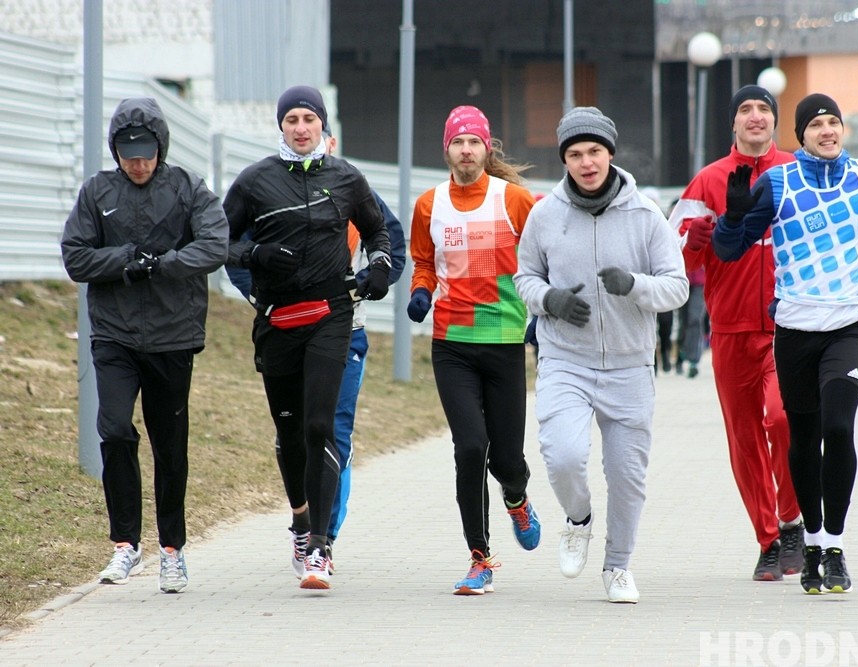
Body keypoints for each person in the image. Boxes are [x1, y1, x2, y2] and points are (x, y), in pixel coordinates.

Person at [712, 93, 858, 594]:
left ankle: (835, 546)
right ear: (800, 135)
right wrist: (734, 217)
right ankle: (810, 545)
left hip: (847, 323)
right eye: (817, 124)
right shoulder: (778, 182)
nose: (828, 131)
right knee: (802, 439)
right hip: (795, 328)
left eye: (834, 123)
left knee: (838, 426)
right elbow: (729, 251)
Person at [514, 106, 689, 603]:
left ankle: (618, 567)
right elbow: (524, 276)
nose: (586, 162)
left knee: (628, 475)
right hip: (566, 358)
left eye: (594, 151)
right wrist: (550, 300)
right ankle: (578, 519)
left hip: (631, 363)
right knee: (564, 455)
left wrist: (634, 285)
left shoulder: (645, 215)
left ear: (610, 154)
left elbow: (676, 288)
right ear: (564, 159)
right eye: (574, 154)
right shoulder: (545, 215)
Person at [223, 85, 391, 591]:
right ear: (281, 126)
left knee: (320, 426)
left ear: (323, 125)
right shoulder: (255, 182)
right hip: (277, 321)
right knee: (290, 434)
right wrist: (255, 257)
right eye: (292, 119)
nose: (300, 127)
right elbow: (217, 240)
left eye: (309, 119)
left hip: (330, 315)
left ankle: (320, 545)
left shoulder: (345, 178)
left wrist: (379, 267)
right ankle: (300, 520)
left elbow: (379, 231)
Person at [61, 97, 228, 593]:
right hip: (114, 334)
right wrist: (125, 261)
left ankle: (172, 551)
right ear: (115, 151)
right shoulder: (97, 192)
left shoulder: (187, 188)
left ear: (161, 147)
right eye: (128, 153)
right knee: (113, 430)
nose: (138, 163)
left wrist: (165, 264)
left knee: (169, 445)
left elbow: (215, 245)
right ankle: (125, 545)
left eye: (146, 153)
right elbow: (76, 256)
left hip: (172, 337)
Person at [666, 85, 802, 581]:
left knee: (782, 419)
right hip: (729, 328)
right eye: (744, 109)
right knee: (745, 439)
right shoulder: (708, 181)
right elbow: (671, 261)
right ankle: (768, 540)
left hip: (790, 324)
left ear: (774, 120)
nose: (754, 116)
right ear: (733, 123)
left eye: (763, 109)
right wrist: (692, 242)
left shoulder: (798, 172)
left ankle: (793, 521)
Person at [406, 105, 541, 596]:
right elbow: (423, 262)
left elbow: (544, 257)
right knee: (469, 448)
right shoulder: (429, 204)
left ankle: (518, 497)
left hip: (504, 341)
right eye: (458, 142)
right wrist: (420, 292)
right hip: (453, 345)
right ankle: (479, 559)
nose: (466, 150)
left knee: (506, 458)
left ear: (487, 149)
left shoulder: (517, 200)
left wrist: (540, 317)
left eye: (474, 143)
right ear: (446, 150)